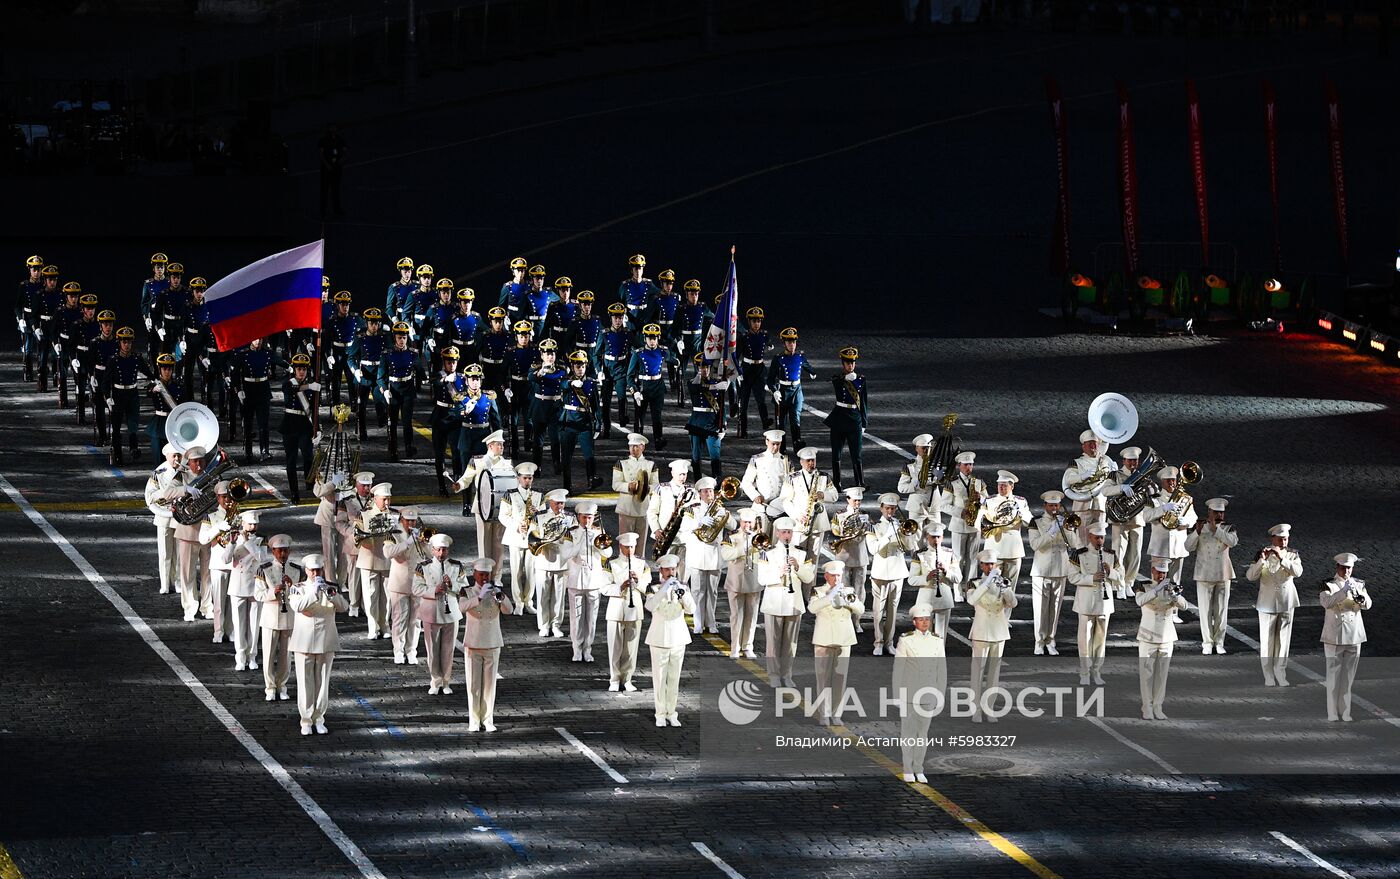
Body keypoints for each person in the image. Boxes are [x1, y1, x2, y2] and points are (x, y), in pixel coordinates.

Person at [289, 556, 349, 735]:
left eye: (318, 570)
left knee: (323, 682)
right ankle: (306, 720)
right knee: (305, 682)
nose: (315, 574)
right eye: (312, 570)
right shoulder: (297, 588)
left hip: (325, 640)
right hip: (304, 641)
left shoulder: (331, 587)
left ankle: (319, 717)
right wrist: (314, 592)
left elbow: (344, 607)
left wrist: (332, 594)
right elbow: (298, 606)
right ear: (306, 571)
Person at [759, 517, 814, 688]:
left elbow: (809, 578)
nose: (787, 535)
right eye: (783, 532)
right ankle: (774, 675)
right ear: (777, 533)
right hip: (774, 602)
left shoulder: (801, 553)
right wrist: (779, 573)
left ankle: (787, 674)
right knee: (773, 643)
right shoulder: (767, 552)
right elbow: (762, 579)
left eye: (789, 532)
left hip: (793, 603)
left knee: (790, 644)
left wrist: (798, 567)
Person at [1246, 523, 1303, 687]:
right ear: (1273, 539)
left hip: (1286, 601)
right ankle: (1268, 675)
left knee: (1284, 641)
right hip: (1267, 603)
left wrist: (1282, 558)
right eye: (1281, 539)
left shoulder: (1292, 555)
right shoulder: (1262, 553)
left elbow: (1298, 572)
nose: (1284, 542)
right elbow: (1251, 576)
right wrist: (1261, 561)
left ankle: (1280, 672)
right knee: (1267, 640)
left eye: (1286, 539)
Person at [893, 604, 944, 783]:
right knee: (908, 734)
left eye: (927, 619)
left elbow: (941, 670)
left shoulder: (938, 641)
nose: (925, 622)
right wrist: (897, 695)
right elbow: (898, 670)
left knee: (922, 734)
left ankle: (918, 767)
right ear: (914, 622)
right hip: (909, 694)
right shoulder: (906, 640)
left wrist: (941, 694)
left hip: (929, 693)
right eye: (921, 620)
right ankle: (907, 768)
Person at [461, 560, 513, 732]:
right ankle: (474, 720)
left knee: (490, 685)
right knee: (474, 685)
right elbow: (462, 607)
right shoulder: (467, 591)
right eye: (481, 575)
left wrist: (501, 596)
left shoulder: (495, 592)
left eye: (487, 575)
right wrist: (479, 597)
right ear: (474, 574)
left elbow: (509, 611)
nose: (484, 578)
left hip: (492, 642)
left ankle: (488, 719)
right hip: (474, 642)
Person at [643, 555, 694, 727]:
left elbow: (691, 609)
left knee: (674, 678)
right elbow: (650, 607)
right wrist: (664, 589)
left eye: (673, 569)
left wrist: (682, 593)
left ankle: (672, 712)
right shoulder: (653, 588)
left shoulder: (682, 587)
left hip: (678, 638)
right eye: (667, 570)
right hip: (658, 637)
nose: (671, 573)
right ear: (661, 570)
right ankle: (660, 713)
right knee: (659, 678)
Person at [447, 428, 511, 566]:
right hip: (482, 505)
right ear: (490, 446)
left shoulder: (507, 463)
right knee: (484, 541)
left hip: (501, 506)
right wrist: (459, 485)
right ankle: (485, 572)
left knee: (498, 543)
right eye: (499, 444)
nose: (502, 447)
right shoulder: (477, 461)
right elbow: (466, 478)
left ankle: (497, 576)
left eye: (502, 444)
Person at [967, 550, 1017, 723]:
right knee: (978, 671)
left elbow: (1013, 603)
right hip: (981, 631)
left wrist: (1005, 589)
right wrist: (987, 583)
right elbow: (972, 600)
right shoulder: (974, 583)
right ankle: (976, 709)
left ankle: (989, 708)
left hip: (999, 630)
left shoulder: (1003, 581)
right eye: (987, 564)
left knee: (994, 672)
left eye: (993, 564)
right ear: (981, 565)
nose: (990, 567)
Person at [809, 561, 862, 725]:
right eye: (833, 575)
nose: (836, 578)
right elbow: (812, 608)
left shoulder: (849, 591)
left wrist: (848, 601)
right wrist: (829, 596)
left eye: (839, 575)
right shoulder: (818, 591)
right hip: (824, 639)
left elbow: (860, 609)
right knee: (823, 678)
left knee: (840, 678)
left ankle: (836, 714)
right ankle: (824, 714)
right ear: (826, 576)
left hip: (844, 639)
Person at [680, 476, 734, 635]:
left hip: (714, 556)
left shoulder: (720, 508)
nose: (709, 494)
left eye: (711, 491)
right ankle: (698, 622)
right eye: (705, 491)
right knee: (697, 590)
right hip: (697, 554)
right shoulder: (692, 508)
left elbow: (733, 526)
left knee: (712, 591)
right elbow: (684, 527)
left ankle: (711, 622)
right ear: (699, 493)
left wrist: (726, 515)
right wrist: (699, 522)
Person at [1320, 552, 1370, 722]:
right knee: (1333, 677)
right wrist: (1343, 592)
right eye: (1343, 568)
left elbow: (1368, 605)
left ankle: (1346, 711)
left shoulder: (1359, 583)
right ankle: (1332, 712)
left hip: (1354, 635)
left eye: (1349, 568)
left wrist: (1360, 597)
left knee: (1348, 678)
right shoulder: (1328, 584)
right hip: (1335, 636)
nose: (1346, 571)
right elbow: (1327, 603)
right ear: (1337, 567)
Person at [1069, 522, 1122, 686]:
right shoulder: (1079, 554)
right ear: (1090, 537)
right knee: (1084, 640)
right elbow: (1072, 577)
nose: (1099, 541)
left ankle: (1097, 671)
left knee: (1100, 640)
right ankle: (1084, 672)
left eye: (1101, 537)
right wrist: (1092, 578)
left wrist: (1110, 572)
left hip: (1104, 604)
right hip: (1085, 603)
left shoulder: (1111, 554)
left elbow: (1121, 576)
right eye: (1096, 538)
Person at [1027, 490, 1078, 656]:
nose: (1054, 508)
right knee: (1040, 609)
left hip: (1060, 569)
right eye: (1051, 505)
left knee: (1055, 609)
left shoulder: (1065, 522)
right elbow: (1035, 545)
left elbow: (1074, 544)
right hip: (1041, 570)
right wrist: (1051, 532)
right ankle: (1039, 641)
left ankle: (1051, 640)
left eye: (1056, 505)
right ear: (1045, 506)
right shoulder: (1036, 522)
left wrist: (1068, 529)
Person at [865, 493, 917, 655]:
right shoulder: (873, 526)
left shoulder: (900, 524)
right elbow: (873, 549)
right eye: (887, 508)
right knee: (878, 611)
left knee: (893, 612)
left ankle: (889, 642)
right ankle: (878, 643)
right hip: (880, 572)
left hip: (897, 571)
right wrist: (887, 536)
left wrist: (908, 535)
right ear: (881, 508)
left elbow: (909, 546)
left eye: (893, 508)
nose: (890, 511)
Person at [414, 533, 466, 695]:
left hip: (451, 612)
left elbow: (464, 588)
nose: (441, 553)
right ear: (432, 550)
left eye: (444, 550)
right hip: (431, 612)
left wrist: (452, 585)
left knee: (448, 650)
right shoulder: (423, 566)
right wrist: (433, 590)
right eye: (438, 550)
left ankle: (446, 681)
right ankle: (435, 681)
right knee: (432, 650)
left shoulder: (456, 566)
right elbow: (416, 589)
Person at [1186, 497, 1237, 655]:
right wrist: (1197, 532)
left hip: (1223, 573)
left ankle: (1219, 641)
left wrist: (1216, 529)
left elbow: (1232, 542)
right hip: (1204, 574)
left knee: (1221, 611)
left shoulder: (1228, 528)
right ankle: (1207, 642)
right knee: (1205, 611)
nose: (1219, 516)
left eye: (1221, 513)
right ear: (1209, 512)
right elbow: (1188, 546)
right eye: (1216, 513)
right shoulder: (1200, 527)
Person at [603, 533, 652, 692]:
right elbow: (603, 587)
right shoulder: (612, 564)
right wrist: (621, 587)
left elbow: (646, 587)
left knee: (631, 648)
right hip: (616, 610)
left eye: (632, 547)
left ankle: (628, 678)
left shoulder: (642, 564)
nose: (629, 550)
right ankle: (614, 678)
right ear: (620, 547)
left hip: (635, 609)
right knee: (615, 647)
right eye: (626, 547)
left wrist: (637, 581)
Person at [254, 535, 300, 701]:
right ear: (273, 551)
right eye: (279, 550)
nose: (282, 554)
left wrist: (292, 586)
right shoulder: (264, 569)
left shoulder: (296, 569)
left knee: (286, 657)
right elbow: (258, 594)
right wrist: (272, 592)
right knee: (268, 655)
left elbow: (302, 594)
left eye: (285, 550)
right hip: (271, 617)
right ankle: (270, 687)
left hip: (289, 617)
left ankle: (282, 685)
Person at [170, 445, 213, 622]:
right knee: (187, 573)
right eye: (195, 462)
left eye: (201, 461)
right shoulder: (182, 476)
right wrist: (186, 490)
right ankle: (189, 607)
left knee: (208, 573)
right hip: (187, 531)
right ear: (190, 462)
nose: (198, 465)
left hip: (208, 530)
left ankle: (207, 606)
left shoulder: (211, 477)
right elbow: (166, 492)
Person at [530, 488, 579, 638]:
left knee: (558, 597)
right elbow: (531, 536)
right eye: (557, 503)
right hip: (543, 559)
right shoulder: (539, 517)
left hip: (562, 561)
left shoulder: (571, 518)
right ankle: (544, 625)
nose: (560, 507)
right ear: (550, 502)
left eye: (562, 504)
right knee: (543, 595)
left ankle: (556, 624)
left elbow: (576, 536)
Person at [384, 507, 430, 664]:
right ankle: (398, 650)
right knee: (399, 618)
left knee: (416, 619)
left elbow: (430, 555)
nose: (410, 523)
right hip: (400, 582)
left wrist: (425, 544)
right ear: (401, 520)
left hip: (417, 582)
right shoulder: (393, 533)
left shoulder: (420, 533)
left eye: (413, 520)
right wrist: (408, 542)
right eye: (407, 520)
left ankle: (411, 651)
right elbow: (388, 552)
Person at [101, 326, 153, 465]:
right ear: (119, 343)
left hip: (132, 393)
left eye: (129, 342)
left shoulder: (136, 358)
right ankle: (117, 454)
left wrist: (155, 381)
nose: (127, 345)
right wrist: (108, 397)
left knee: (133, 423)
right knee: (116, 426)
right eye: (124, 342)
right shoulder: (113, 360)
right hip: (118, 394)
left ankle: (133, 447)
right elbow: (105, 382)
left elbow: (149, 373)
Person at [568, 502, 612, 662]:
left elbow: (608, 553)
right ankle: (576, 648)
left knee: (592, 618)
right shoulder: (572, 532)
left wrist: (598, 544)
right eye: (584, 517)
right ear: (579, 517)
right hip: (576, 578)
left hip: (593, 579)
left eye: (590, 517)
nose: (587, 521)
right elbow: (566, 553)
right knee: (576, 616)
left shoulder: (599, 532)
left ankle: (588, 648)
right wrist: (579, 542)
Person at [973, 470, 1033, 586]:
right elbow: (978, 521)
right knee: (992, 585)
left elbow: (1029, 522)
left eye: (1004, 485)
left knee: (1010, 586)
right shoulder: (989, 501)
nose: (1001, 488)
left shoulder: (1020, 502)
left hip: (1013, 549)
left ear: (1012, 486)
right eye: (999, 485)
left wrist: (1020, 513)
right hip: (994, 548)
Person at [353, 482, 397, 640]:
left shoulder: (394, 515)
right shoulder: (363, 514)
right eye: (384, 499)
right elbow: (357, 538)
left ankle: (385, 624)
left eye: (389, 499)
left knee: (386, 596)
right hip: (369, 559)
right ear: (375, 498)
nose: (387, 503)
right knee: (370, 596)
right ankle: (373, 626)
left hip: (387, 560)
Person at [780, 447, 838, 566]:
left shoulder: (824, 476)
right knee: (797, 556)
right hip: (800, 524)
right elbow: (785, 501)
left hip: (818, 524)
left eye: (813, 460)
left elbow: (835, 495)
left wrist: (823, 495)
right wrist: (797, 515)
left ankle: (810, 584)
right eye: (808, 461)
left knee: (813, 560)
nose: (811, 463)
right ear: (801, 462)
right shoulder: (792, 478)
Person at [499, 460, 543, 614]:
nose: (527, 481)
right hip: (515, 536)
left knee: (531, 571)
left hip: (533, 537)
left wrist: (537, 511)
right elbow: (503, 516)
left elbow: (544, 517)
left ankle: (529, 601)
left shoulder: (538, 495)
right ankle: (518, 602)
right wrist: (516, 525)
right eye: (524, 478)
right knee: (516, 570)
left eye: (530, 478)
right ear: (518, 478)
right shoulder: (509, 495)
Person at [1143, 465, 1197, 590]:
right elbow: (1146, 517)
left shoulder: (1184, 498)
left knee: (1175, 583)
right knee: (1157, 582)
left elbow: (1193, 517)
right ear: (1162, 482)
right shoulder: (1154, 499)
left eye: (1173, 480)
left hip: (1178, 547)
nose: (1172, 483)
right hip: (1160, 548)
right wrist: (1163, 509)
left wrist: (1185, 521)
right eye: (1168, 480)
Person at [720, 508, 764, 658]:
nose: (748, 525)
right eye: (745, 522)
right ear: (740, 522)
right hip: (736, 581)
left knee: (752, 616)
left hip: (754, 581)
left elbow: (766, 557)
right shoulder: (731, 536)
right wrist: (744, 546)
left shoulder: (760, 536)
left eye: (750, 522)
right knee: (736, 616)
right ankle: (735, 647)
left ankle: (748, 646)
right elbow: (726, 555)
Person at [223, 511, 264, 670]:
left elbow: (262, 558)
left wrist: (247, 542)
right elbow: (226, 560)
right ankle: (240, 657)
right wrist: (232, 543)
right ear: (243, 524)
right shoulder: (234, 539)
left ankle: (252, 655)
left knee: (254, 623)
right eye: (250, 524)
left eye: (255, 524)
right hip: (238, 585)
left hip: (255, 585)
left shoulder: (262, 540)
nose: (253, 527)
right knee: (239, 624)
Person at [558, 350, 604, 491]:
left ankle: (591, 481)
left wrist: (598, 424)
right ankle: (567, 486)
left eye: (582, 366)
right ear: (572, 367)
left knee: (589, 455)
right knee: (566, 457)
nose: (580, 369)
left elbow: (596, 406)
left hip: (584, 423)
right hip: (569, 423)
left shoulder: (591, 383)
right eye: (577, 366)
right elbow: (563, 386)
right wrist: (572, 383)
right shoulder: (566, 380)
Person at [828, 487, 873, 631]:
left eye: (859, 501)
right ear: (848, 500)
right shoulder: (839, 514)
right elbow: (834, 532)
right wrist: (845, 532)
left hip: (860, 554)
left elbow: (871, 531)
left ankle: (856, 620)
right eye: (855, 500)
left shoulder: (865, 514)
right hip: (844, 554)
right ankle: (844, 618)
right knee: (844, 588)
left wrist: (867, 526)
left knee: (859, 590)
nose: (857, 503)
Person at [907, 521, 961, 640]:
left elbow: (958, 578)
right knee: (924, 634)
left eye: (938, 537)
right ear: (927, 537)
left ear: (942, 537)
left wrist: (946, 571)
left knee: (941, 636)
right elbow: (911, 580)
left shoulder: (949, 553)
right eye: (933, 537)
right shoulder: (919, 554)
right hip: (925, 598)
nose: (936, 540)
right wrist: (927, 577)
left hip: (944, 598)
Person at [626, 323, 676, 450]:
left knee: (657, 415)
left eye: (654, 338)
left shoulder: (663, 351)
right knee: (639, 416)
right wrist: (634, 391)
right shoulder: (638, 353)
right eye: (650, 338)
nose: (652, 341)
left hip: (658, 387)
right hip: (643, 387)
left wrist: (678, 359)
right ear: (645, 338)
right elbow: (630, 376)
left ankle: (658, 439)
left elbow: (673, 359)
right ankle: (637, 441)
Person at [1061, 430, 1119, 541]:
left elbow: (1112, 482)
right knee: (1082, 539)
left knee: (1099, 538)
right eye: (1089, 444)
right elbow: (1068, 480)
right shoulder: (1076, 462)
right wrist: (1082, 476)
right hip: (1082, 505)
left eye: (1095, 443)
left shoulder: (1106, 460)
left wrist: (1116, 473)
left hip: (1100, 504)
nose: (1093, 446)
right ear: (1083, 446)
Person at [824, 346, 867, 490]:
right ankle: (837, 483)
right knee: (836, 452)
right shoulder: (839, 379)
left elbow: (864, 402)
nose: (850, 365)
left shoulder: (861, 380)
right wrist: (844, 379)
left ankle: (859, 482)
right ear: (843, 363)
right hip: (839, 418)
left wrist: (864, 422)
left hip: (855, 419)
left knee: (857, 453)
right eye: (848, 362)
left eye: (852, 362)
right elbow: (834, 380)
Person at [766, 328, 815, 454]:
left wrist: (812, 373)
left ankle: (797, 445)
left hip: (797, 391)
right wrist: (775, 390)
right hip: (783, 391)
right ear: (784, 344)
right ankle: (781, 449)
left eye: (793, 342)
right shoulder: (778, 359)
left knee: (795, 419)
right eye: (789, 342)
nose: (792, 345)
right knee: (781, 422)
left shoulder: (800, 357)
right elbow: (770, 379)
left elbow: (808, 366)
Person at [279, 354, 319, 505]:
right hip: (289, 425)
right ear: (294, 370)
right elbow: (291, 390)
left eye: (303, 369)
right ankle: (294, 493)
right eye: (298, 369)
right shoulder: (288, 383)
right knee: (291, 461)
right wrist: (309, 386)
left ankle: (309, 482)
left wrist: (317, 428)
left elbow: (314, 409)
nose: (301, 371)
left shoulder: (313, 386)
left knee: (308, 456)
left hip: (305, 425)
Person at [230, 337, 279, 462]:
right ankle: (248, 452)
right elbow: (235, 373)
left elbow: (280, 361)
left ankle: (265, 451)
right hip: (248, 390)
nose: (258, 342)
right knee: (248, 423)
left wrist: (291, 367)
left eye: (260, 339)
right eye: (255, 339)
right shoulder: (243, 355)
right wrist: (238, 390)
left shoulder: (267, 353)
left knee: (264, 423)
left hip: (263, 389)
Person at [144, 443, 183, 595]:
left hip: (180, 516)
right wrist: (165, 494)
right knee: (165, 552)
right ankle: (165, 583)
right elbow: (150, 495)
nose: (177, 459)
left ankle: (178, 582)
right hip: (164, 516)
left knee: (180, 553)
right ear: (167, 456)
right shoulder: (159, 472)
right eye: (174, 456)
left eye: (179, 455)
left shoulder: (184, 471)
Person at [379, 322, 421, 460]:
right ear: (394, 338)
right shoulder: (387, 354)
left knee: (407, 421)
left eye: (404, 337)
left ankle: (409, 446)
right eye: (399, 338)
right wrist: (384, 390)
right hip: (393, 390)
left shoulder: (413, 353)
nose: (402, 340)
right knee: (393, 422)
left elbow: (419, 369)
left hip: (408, 389)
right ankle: (393, 449)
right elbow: (380, 377)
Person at [943, 451, 986, 582]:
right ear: (959, 466)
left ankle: (970, 587)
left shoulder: (979, 482)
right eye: (966, 465)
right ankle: (957, 589)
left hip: (975, 525)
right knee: (958, 558)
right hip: (959, 525)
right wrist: (961, 512)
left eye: (971, 465)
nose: (969, 468)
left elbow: (988, 501)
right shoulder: (952, 483)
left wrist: (982, 498)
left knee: (973, 557)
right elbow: (943, 505)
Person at [612, 433, 658, 557]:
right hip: (626, 508)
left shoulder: (651, 465)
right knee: (625, 542)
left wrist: (645, 488)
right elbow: (615, 484)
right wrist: (628, 486)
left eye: (636, 446)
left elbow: (656, 485)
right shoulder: (621, 463)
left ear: (643, 447)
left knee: (640, 545)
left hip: (643, 508)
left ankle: (639, 570)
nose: (633, 449)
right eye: (631, 446)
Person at [647, 460, 695, 576]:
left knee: (684, 571)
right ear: (673, 473)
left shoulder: (691, 490)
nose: (682, 477)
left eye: (684, 474)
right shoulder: (662, 488)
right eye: (680, 474)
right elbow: (652, 511)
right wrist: (656, 529)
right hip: (666, 536)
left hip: (684, 537)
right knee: (667, 569)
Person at [1110, 446, 1147, 595]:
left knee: (1135, 554)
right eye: (1130, 460)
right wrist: (1121, 488)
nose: (1133, 463)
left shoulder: (1142, 475)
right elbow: (1105, 490)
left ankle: (1128, 583)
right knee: (1119, 552)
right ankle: (1118, 584)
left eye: (1135, 461)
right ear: (1124, 460)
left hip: (1137, 518)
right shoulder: (1115, 475)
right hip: (1119, 519)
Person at [687, 354, 729, 480]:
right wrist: (716, 387)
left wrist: (724, 425)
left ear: (710, 368)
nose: (703, 370)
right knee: (696, 456)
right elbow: (696, 388)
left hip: (712, 424)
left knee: (715, 455)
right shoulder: (692, 383)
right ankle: (697, 482)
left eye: (706, 367)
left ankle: (717, 482)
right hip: (696, 424)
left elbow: (721, 406)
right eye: (701, 367)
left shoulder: (717, 383)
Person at [348, 307, 388, 440]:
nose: (374, 326)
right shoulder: (360, 338)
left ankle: (382, 418)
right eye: (371, 323)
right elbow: (351, 358)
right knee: (362, 404)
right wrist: (356, 371)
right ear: (366, 323)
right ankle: (362, 430)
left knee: (380, 400)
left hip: (379, 373)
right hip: (364, 373)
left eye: (376, 323)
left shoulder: (384, 337)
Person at [338, 472, 375, 617]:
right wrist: (352, 533)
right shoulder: (347, 501)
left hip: (371, 544)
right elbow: (340, 523)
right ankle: (353, 604)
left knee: (369, 576)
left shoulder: (375, 500)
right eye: (363, 485)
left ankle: (366, 605)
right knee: (354, 576)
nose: (366, 488)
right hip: (354, 543)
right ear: (357, 486)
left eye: (368, 485)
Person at [430, 346, 466, 495]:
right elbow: (434, 382)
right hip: (440, 418)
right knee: (439, 455)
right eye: (448, 362)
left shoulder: (462, 378)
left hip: (455, 418)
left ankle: (457, 482)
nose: (451, 365)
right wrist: (445, 379)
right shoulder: (438, 375)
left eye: (454, 362)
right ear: (444, 362)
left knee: (457, 454)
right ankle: (441, 486)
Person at [741, 429, 790, 534]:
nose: (775, 447)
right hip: (762, 507)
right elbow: (746, 482)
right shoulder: (757, 459)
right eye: (773, 444)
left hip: (780, 508)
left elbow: (790, 484)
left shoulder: (785, 461)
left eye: (778, 444)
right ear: (767, 441)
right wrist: (755, 496)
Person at [735, 307, 773, 437]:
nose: (757, 324)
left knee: (761, 399)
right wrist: (738, 372)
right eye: (754, 321)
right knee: (744, 401)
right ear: (749, 322)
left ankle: (765, 421)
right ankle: (744, 429)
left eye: (758, 321)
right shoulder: (744, 337)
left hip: (759, 369)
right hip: (747, 370)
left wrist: (770, 344)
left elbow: (767, 341)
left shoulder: (764, 334)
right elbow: (736, 355)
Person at [598, 303, 633, 435]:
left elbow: (637, 347)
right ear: (611, 318)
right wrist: (599, 370)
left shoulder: (627, 333)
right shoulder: (604, 334)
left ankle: (622, 417)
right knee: (605, 401)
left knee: (621, 397)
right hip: (607, 369)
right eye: (615, 318)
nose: (617, 321)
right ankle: (606, 427)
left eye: (620, 318)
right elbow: (596, 354)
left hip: (621, 369)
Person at [618, 254, 658, 334]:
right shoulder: (625, 285)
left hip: (644, 318)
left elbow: (660, 293)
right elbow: (620, 303)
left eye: (640, 268)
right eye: (635, 268)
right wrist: (623, 316)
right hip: (630, 317)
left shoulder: (648, 284)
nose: (638, 271)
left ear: (643, 269)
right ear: (632, 270)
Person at [318, 123, 346, 215]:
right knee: (325, 190)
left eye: (334, 128)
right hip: (327, 169)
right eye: (331, 128)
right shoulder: (323, 140)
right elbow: (321, 154)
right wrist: (326, 165)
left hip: (336, 168)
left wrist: (342, 160)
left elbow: (344, 151)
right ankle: (323, 210)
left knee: (335, 190)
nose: (333, 130)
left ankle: (336, 210)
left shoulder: (340, 139)